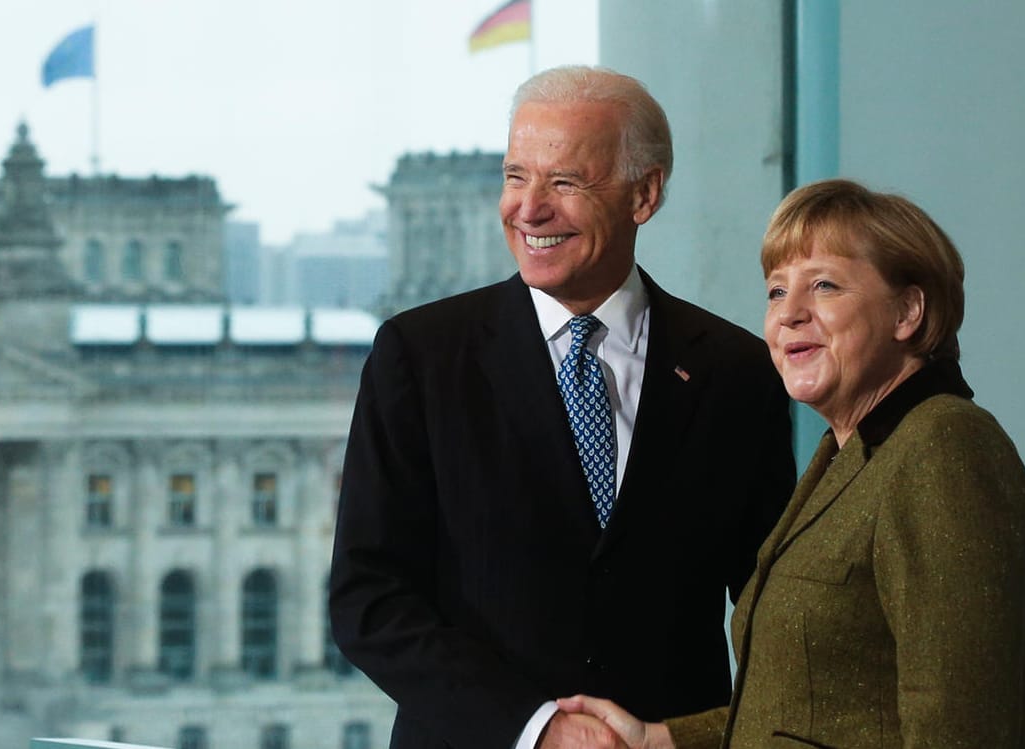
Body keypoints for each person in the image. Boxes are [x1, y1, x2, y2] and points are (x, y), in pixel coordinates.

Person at [327, 65, 795, 749]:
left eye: (564, 182)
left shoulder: (735, 369)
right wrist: (538, 728)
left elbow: (773, 605)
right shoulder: (420, 356)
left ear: (644, 193)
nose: (528, 208)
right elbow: (368, 599)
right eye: (516, 177)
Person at [559, 178, 1025, 748]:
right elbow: (811, 708)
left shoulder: (944, 447)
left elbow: (963, 729)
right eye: (775, 292)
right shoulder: (852, 452)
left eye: (825, 286)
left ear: (908, 311)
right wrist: (657, 740)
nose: (789, 315)